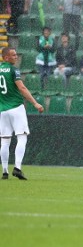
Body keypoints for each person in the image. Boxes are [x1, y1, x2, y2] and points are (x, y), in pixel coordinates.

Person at [1, 47, 44, 180]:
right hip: (16, 107)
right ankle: (17, 168)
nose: (16, 57)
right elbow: (22, 88)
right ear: (6, 57)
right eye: (13, 55)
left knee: (5, 140)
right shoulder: (14, 70)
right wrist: (35, 103)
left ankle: (5, 171)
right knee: (22, 137)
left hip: (2, 110)